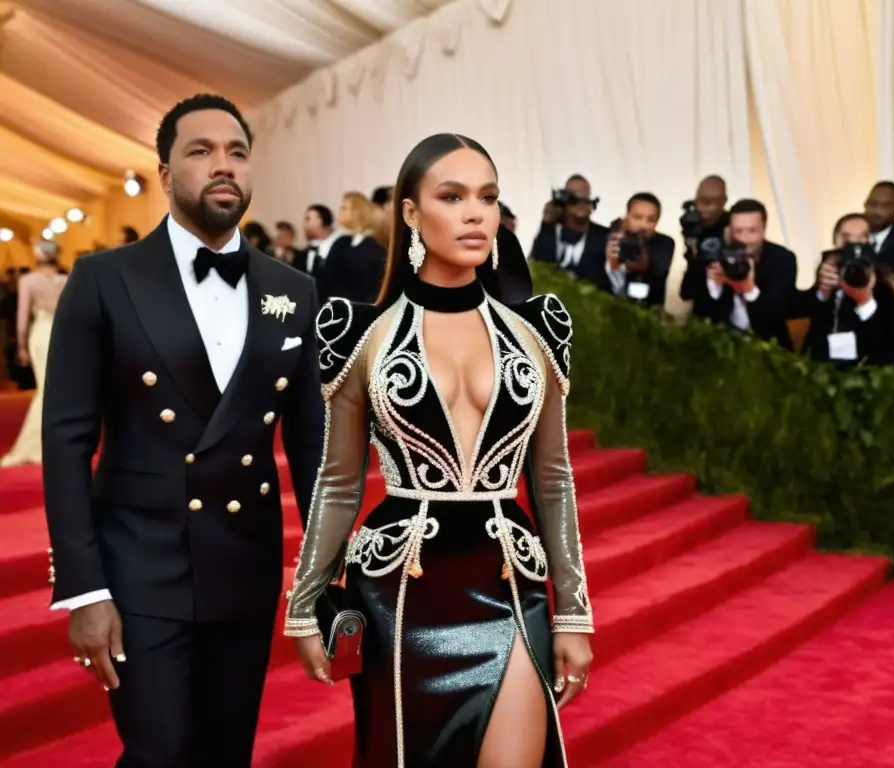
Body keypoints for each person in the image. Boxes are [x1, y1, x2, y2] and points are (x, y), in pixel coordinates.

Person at [284, 133, 594, 767]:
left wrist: (573, 615)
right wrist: (304, 601)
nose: (476, 213)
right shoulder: (362, 336)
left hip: (509, 579)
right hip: (401, 589)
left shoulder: (536, 333)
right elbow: (339, 482)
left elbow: (554, 480)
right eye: (452, 196)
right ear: (409, 212)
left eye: (488, 197)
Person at [41, 93, 324, 767]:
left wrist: (322, 574)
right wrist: (84, 589)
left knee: (225, 753)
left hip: (244, 567)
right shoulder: (104, 279)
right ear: (166, 176)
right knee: (159, 753)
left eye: (236, 152)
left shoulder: (293, 290)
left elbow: (313, 446)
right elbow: (65, 440)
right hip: (140, 566)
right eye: (200, 152)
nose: (221, 166)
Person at [0, 241, 67, 467]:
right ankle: (54, 443)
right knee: (55, 389)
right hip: (61, 335)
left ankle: (35, 445)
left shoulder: (28, 280)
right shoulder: (65, 280)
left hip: (40, 334)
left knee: (45, 390)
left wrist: (20, 345)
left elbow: (22, 315)